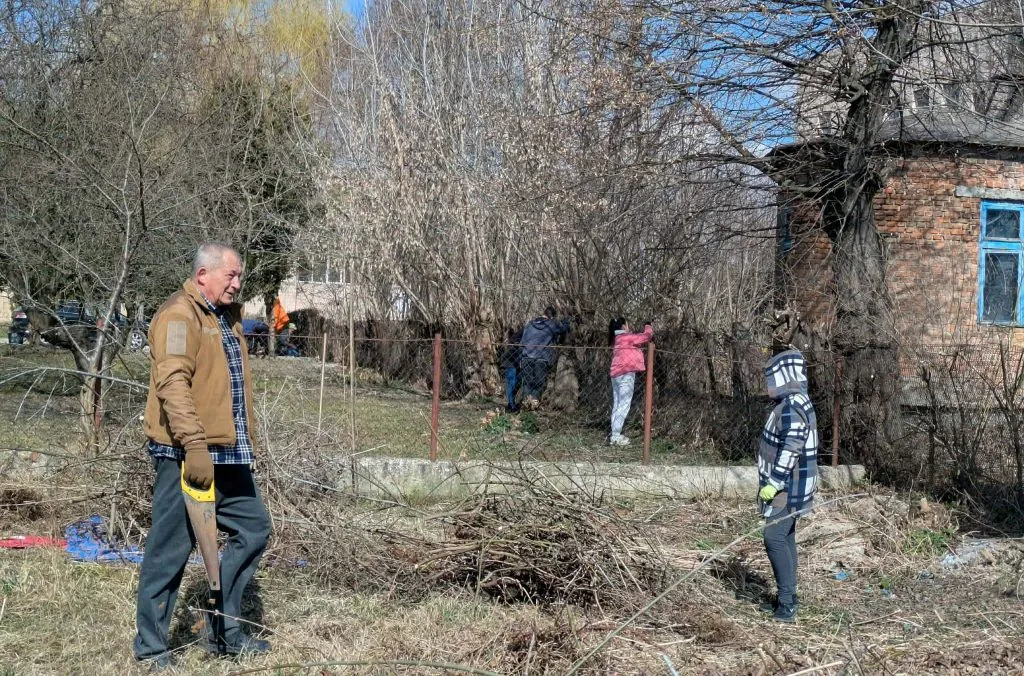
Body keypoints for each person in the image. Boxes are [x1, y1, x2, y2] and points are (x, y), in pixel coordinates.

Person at [134, 243, 272, 669]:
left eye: (239, 277)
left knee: (254, 528)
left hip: (226, 453)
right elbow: (172, 383)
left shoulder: (223, 317)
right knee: (171, 549)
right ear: (202, 275)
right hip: (185, 453)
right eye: (230, 276)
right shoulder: (179, 315)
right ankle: (151, 648)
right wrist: (193, 446)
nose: (237, 284)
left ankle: (222, 630)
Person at [757, 343, 818, 623]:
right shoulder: (796, 401)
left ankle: (786, 604)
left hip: (787, 487)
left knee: (774, 538)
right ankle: (790, 595)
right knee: (787, 535)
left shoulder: (793, 405)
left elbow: (792, 447)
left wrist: (774, 482)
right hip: (794, 485)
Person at [607, 318, 653, 446]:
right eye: (627, 324)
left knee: (617, 403)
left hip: (615, 374)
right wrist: (648, 326)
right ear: (623, 326)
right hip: (626, 373)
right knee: (624, 404)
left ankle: (614, 434)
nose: (629, 326)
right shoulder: (627, 337)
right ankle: (616, 436)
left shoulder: (616, 339)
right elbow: (646, 337)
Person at [518, 306, 570, 409]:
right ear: (552, 317)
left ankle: (526, 405)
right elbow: (564, 329)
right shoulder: (551, 325)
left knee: (527, 383)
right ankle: (533, 405)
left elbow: (522, 342)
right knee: (538, 383)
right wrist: (566, 318)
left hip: (526, 357)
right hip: (542, 358)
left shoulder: (530, 324)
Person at [498, 326, 523, 413]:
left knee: (514, 385)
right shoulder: (514, 346)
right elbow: (506, 357)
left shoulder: (512, 344)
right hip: (509, 367)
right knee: (511, 386)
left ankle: (511, 404)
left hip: (512, 367)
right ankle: (511, 405)